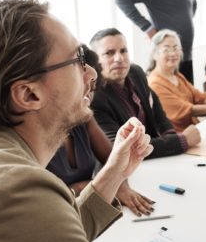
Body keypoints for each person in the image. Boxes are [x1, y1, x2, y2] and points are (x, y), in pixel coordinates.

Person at [0, 0, 153, 242]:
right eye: (77, 61)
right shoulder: (13, 188)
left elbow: (53, 234)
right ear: (29, 94)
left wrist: (114, 171)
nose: (92, 72)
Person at [47, 44, 155, 217]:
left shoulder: (84, 117)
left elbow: (112, 159)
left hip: (86, 212)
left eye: (94, 88)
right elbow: (45, 199)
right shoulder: (38, 131)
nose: (89, 95)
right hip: (60, 217)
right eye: (85, 84)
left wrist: (121, 186)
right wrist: (91, 185)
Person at [89, 28, 201, 159]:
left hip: (153, 160)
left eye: (123, 51)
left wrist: (170, 135)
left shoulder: (135, 73)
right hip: (123, 173)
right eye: (109, 53)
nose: (119, 58)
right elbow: (121, 149)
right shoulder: (94, 97)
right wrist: (180, 141)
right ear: (96, 61)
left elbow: (158, 112)